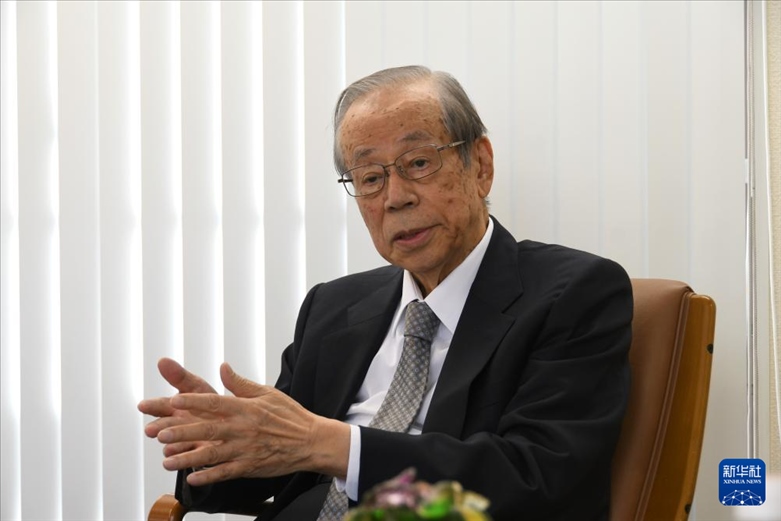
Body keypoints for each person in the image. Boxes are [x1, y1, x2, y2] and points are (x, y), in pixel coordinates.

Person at [139, 65, 633, 521]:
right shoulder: (333, 308)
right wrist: (218, 443)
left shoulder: (573, 293)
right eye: (371, 178)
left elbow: (539, 478)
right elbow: (279, 461)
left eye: (418, 162)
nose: (396, 197)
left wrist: (333, 445)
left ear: (480, 165)